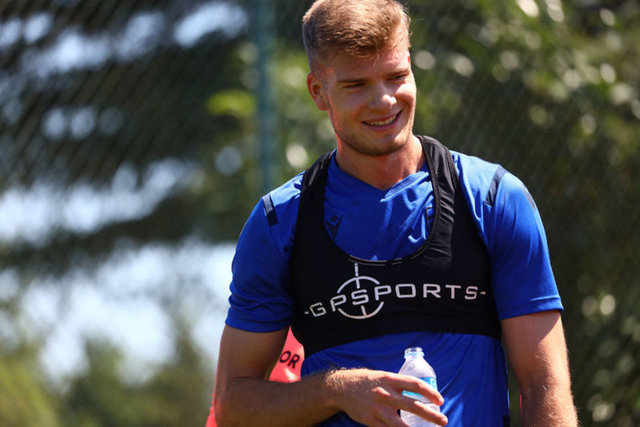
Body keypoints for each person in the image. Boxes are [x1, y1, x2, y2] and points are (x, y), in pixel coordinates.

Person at [213, 0, 578, 425]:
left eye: (396, 76)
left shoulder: (493, 198)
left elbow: (545, 384)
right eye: (356, 85)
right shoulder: (279, 222)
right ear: (318, 92)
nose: (384, 100)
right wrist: (336, 390)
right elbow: (234, 404)